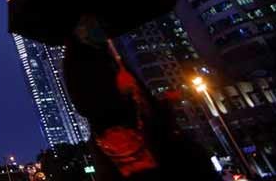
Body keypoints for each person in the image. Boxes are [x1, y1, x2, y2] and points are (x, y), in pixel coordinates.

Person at [63, 14, 219, 181]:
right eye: (90, 24)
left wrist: (164, 102)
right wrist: (121, 92)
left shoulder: (108, 55)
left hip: (155, 140)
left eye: (97, 22)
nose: (98, 27)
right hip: (131, 152)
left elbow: (141, 104)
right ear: (79, 30)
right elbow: (87, 106)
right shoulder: (77, 62)